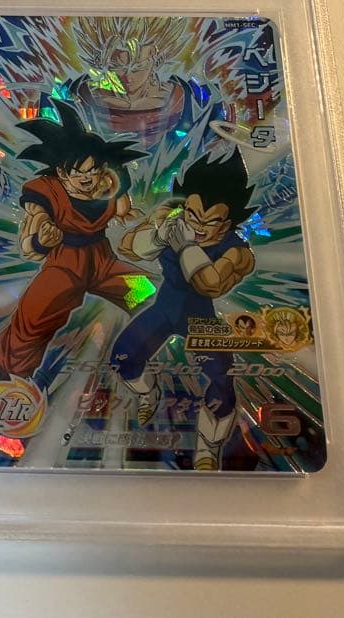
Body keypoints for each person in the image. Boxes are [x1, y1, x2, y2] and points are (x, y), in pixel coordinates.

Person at [0, 99, 148, 433]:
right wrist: (42, 238)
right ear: (63, 172)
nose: (90, 180)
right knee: (30, 322)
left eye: (95, 172)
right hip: (64, 265)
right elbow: (31, 239)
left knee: (149, 294)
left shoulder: (109, 187)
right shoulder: (47, 192)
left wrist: (130, 216)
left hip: (102, 261)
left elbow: (122, 206)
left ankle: (156, 364)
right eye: (81, 173)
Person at [113, 149, 257, 470]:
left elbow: (211, 285)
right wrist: (155, 231)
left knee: (222, 387)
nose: (199, 225)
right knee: (122, 359)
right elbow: (126, 248)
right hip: (164, 310)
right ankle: (149, 393)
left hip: (201, 321)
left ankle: (207, 450)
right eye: (192, 214)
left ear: (228, 221)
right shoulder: (174, 221)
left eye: (210, 220)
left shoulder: (237, 251)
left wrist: (186, 246)